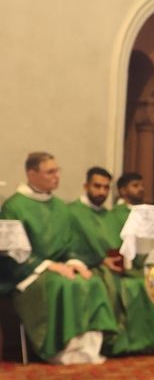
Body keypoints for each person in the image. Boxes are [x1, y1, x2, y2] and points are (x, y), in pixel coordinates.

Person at [0, 152, 116, 364]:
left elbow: (71, 243)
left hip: (59, 269)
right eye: (50, 172)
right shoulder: (14, 206)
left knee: (91, 281)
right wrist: (48, 265)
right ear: (31, 174)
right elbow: (12, 253)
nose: (56, 176)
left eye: (57, 171)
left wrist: (75, 263)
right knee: (64, 285)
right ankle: (61, 351)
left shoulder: (61, 207)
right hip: (27, 274)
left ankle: (87, 350)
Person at [66, 165, 154, 356]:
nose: (102, 191)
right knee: (119, 286)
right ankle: (115, 342)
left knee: (141, 284)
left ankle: (144, 343)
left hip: (114, 267)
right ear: (86, 186)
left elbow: (118, 245)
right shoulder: (73, 212)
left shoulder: (107, 215)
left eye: (105, 187)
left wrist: (119, 261)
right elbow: (71, 246)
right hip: (89, 267)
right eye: (97, 186)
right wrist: (101, 261)